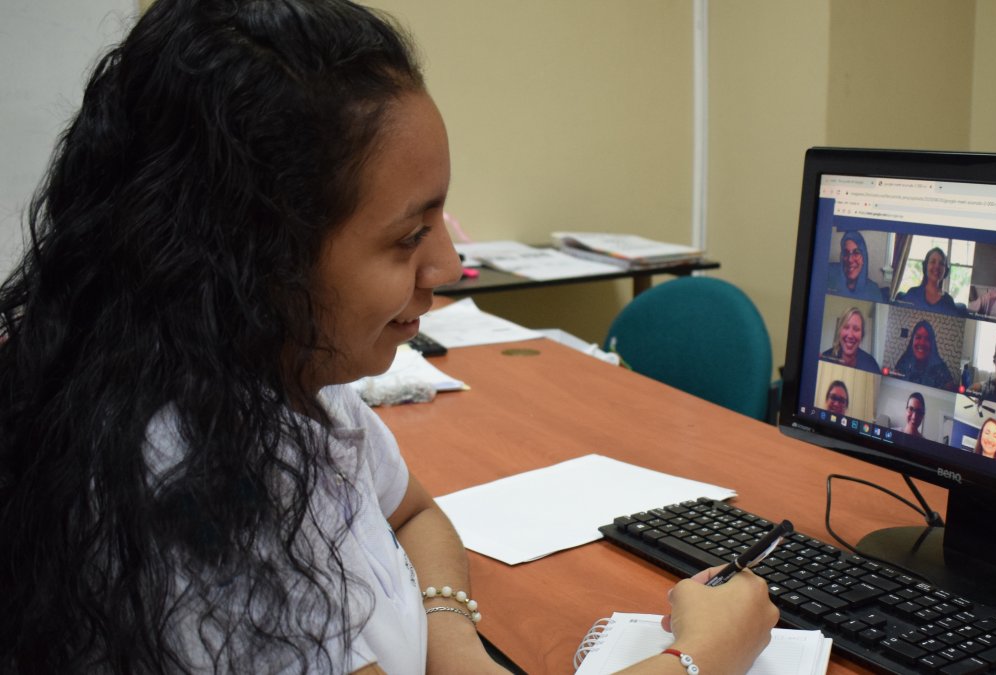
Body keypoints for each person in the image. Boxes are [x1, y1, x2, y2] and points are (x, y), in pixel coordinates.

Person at [0, 1, 778, 672]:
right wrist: (701, 654)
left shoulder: (281, 384)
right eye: (408, 236)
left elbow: (415, 511)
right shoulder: (196, 490)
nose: (447, 265)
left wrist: (451, 637)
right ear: (252, 258)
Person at [895, 247, 964, 315]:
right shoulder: (913, 293)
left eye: (941, 263)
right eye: (933, 262)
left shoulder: (948, 301)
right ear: (925, 266)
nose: (937, 266)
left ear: (945, 271)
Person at [891, 320, 956, 390]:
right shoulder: (903, 362)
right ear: (912, 340)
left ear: (932, 344)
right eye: (918, 337)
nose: (922, 343)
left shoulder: (941, 370)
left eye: (927, 339)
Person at [820, 306, 881, 373]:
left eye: (856, 329)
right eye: (846, 327)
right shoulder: (825, 358)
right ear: (840, 331)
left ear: (862, 335)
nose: (850, 335)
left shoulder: (871, 364)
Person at [828, 230, 884, 300]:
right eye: (846, 253)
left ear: (864, 258)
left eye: (856, 253)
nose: (850, 259)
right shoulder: (830, 282)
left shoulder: (873, 291)